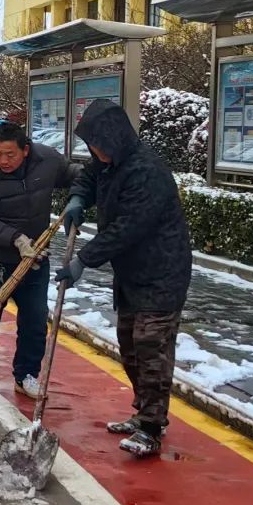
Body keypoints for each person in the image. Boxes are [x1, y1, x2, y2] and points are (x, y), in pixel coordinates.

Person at [56, 99, 192, 458]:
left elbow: (127, 228)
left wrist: (83, 260)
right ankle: (143, 412)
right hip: (131, 274)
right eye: (91, 146)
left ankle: (152, 428)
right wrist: (77, 198)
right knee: (129, 345)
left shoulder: (147, 171)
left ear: (115, 138)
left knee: (151, 346)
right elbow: (88, 176)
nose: (95, 152)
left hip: (162, 272)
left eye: (98, 145)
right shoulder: (109, 162)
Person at [0, 122, 81, 402]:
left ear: (25, 150)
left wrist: (80, 196)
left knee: (35, 319)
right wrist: (16, 239)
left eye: (10, 154)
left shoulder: (47, 160)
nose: (3, 160)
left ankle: (26, 374)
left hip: (34, 260)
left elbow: (76, 174)